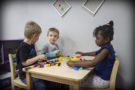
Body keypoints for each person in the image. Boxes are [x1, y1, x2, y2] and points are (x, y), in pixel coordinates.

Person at [67, 21, 115, 88]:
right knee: (81, 75)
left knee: (73, 83)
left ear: (106, 39)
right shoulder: (106, 47)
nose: (95, 40)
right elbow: (95, 53)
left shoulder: (106, 50)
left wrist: (74, 63)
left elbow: (92, 63)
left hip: (102, 80)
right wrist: (84, 54)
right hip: (99, 76)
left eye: (98, 38)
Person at [16, 21, 47, 90]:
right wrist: (38, 57)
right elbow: (25, 62)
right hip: (25, 75)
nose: (38, 38)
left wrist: (39, 60)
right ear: (34, 36)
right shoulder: (23, 47)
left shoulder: (32, 44)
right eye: (38, 36)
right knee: (41, 86)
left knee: (47, 80)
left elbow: (33, 59)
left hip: (33, 71)